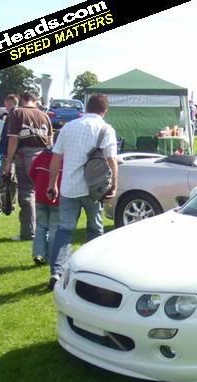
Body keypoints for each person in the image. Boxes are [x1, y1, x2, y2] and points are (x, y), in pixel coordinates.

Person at [47, 93, 118, 290]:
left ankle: (56, 271)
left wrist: (52, 184)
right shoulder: (106, 129)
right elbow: (111, 160)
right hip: (95, 189)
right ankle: (91, 272)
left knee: (64, 231)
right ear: (105, 110)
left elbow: (56, 159)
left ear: (86, 107)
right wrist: (114, 185)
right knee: (95, 230)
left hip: (69, 188)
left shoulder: (68, 127)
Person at [2, 91, 53, 241]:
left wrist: (9, 161)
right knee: (42, 195)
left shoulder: (17, 113)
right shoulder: (45, 116)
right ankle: (45, 230)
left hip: (25, 157)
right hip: (44, 158)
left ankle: (29, 232)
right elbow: (50, 143)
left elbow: (13, 140)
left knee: (26, 194)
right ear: (35, 100)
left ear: (23, 99)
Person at [29, 148, 62, 266]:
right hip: (56, 199)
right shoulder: (63, 159)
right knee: (54, 228)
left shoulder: (40, 157)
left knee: (40, 227)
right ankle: (51, 257)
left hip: (40, 197)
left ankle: (38, 253)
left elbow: (31, 173)